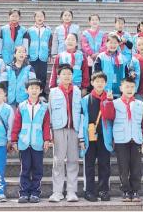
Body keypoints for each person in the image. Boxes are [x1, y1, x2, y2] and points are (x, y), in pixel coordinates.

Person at [101, 77, 143, 203]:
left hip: (136, 139)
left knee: (136, 167)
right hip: (121, 140)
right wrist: (109, 101)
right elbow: (108, 116)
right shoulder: (114, 103)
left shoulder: (140, 104)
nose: (129, 89)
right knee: (123, 167)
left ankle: (135, 190)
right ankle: (126, 191)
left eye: (132, 87)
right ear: (121, 88)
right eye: (127, 86)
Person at [10, 79, 52, 204]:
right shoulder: (22, 106)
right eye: (31, 88)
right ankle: (24, 193)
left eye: (37, 88)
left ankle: (35, 193)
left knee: (37, 169)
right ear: (26, 90)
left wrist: (46, 140)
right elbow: (16, 124)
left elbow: (46, 125)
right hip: (24, 142)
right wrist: (14, 140)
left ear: (40, 90)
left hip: (38, 142)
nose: (34, 90)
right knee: (25, 169)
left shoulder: (44, 107)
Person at [48, 64, 82, 203]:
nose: (67, 76)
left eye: (69, 74)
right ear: (59, 76)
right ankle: (57, 192)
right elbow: (50, 112)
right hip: (58, 129)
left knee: (73, 160)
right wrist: (50, 132)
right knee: (58, 161)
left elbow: (81, 112)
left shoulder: (77, 91)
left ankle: (71, 191)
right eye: (64, 74)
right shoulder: (54, 92)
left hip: (74, 129)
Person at [79, 72, 114, 202]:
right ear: (92, 83)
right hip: (89, 136)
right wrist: (81, 138)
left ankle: (103, 190)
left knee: (104, 164)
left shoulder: (110, 98)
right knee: (89, 165)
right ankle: (89, 191)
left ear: (105, 83)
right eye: (97, 81)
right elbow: (81, 119)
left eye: (102, 81)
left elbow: (112, 117)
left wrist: (109, 102)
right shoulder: (85, 100)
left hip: (105, 136)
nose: (99, 84)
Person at [94, 33, 130, 98]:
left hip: (119, 92)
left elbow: (126, 75)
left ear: (118, 44)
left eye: (115, 43)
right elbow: (96, 74)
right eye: (110, 43)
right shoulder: (101, 57)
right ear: (106, 43)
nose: (113, 45)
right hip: (104, 91)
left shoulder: (123, 58)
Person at [26, 10, 53, 93]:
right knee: (33, 74)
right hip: (32, 55)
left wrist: (49, 54)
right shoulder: (30, 30)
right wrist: (27, 54)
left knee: (42, 75)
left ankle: (42, 92)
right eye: (37, 16)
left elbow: (50, 43)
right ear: (34, 18)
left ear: (44, 18)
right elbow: (27, 43)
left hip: (43, 55)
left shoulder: (48, 30)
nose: (39, 18)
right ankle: (33, 92)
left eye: (41, 16)